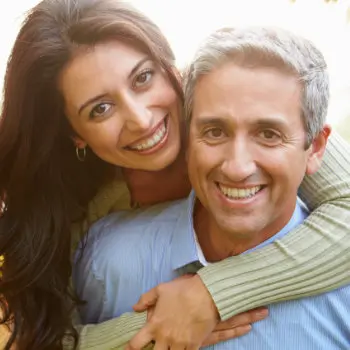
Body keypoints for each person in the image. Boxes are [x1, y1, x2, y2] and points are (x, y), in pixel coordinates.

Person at [0, 0, 350, 349]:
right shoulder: (78, 219)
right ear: (74, 133)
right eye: (100, 109)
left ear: (171, 68)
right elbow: (32, 340)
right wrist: (157, 328)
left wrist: (213, 294)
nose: (141, 119)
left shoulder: (230, 97)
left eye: (142, 77)